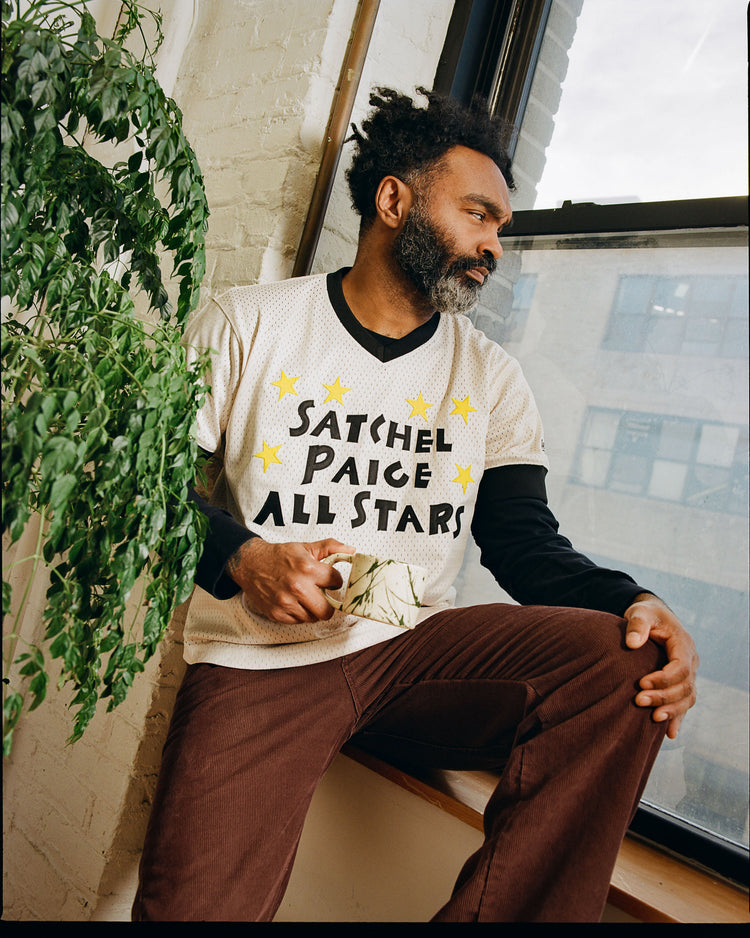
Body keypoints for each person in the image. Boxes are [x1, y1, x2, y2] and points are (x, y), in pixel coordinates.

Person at [132, 87, 698, 922]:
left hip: (414, 656)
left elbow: (525, 544)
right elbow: (146, 494)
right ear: (394, 201)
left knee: (628, 666)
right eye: (479, 214)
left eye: (501, 227)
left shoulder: (493, 378)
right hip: (265, 655)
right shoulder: (248, 323)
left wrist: (636, 602)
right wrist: (244, 557)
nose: (493, 245)